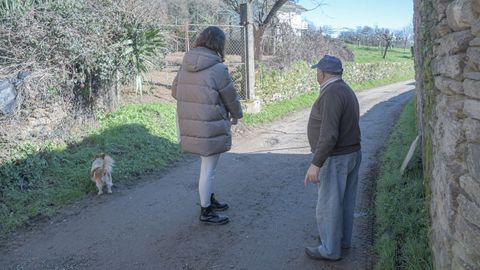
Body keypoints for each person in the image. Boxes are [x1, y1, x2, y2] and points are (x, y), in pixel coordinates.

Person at [172, 26, 243, 225]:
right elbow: (230, 96)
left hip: (190, 122)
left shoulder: (185, 64)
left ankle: (209, 198)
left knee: (207, 167)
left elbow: (175, 92)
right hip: (210, 124)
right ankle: (206, 210)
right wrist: (237, 114)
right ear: (219, 44)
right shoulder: (218, 68)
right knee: (208, 169)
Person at [304, 55, 362, 260]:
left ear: (323, 73)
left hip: (336, 158)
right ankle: (342, 241)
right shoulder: (345, 89)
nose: (316, 75)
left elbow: (329, 134)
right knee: (345, 202)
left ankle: (329, 249)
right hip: (352, 153)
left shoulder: (331, 93)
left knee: (328, 205)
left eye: (317, 72)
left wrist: (316, 164)